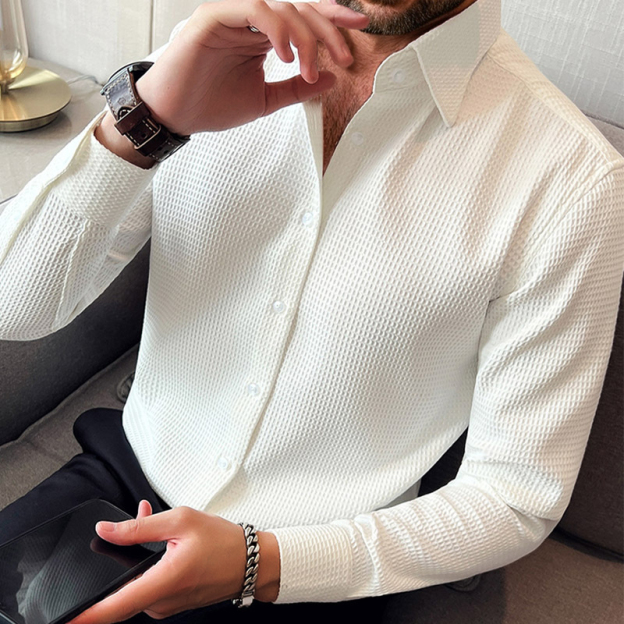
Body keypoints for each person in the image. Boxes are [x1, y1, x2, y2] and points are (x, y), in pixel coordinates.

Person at [0, 0, 622, 622]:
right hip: (118, 484)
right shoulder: (207, 54)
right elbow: (15, 307)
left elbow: (515, 495)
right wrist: (145, 122)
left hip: (313, 568)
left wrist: (262, 563)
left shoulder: (573, 179)